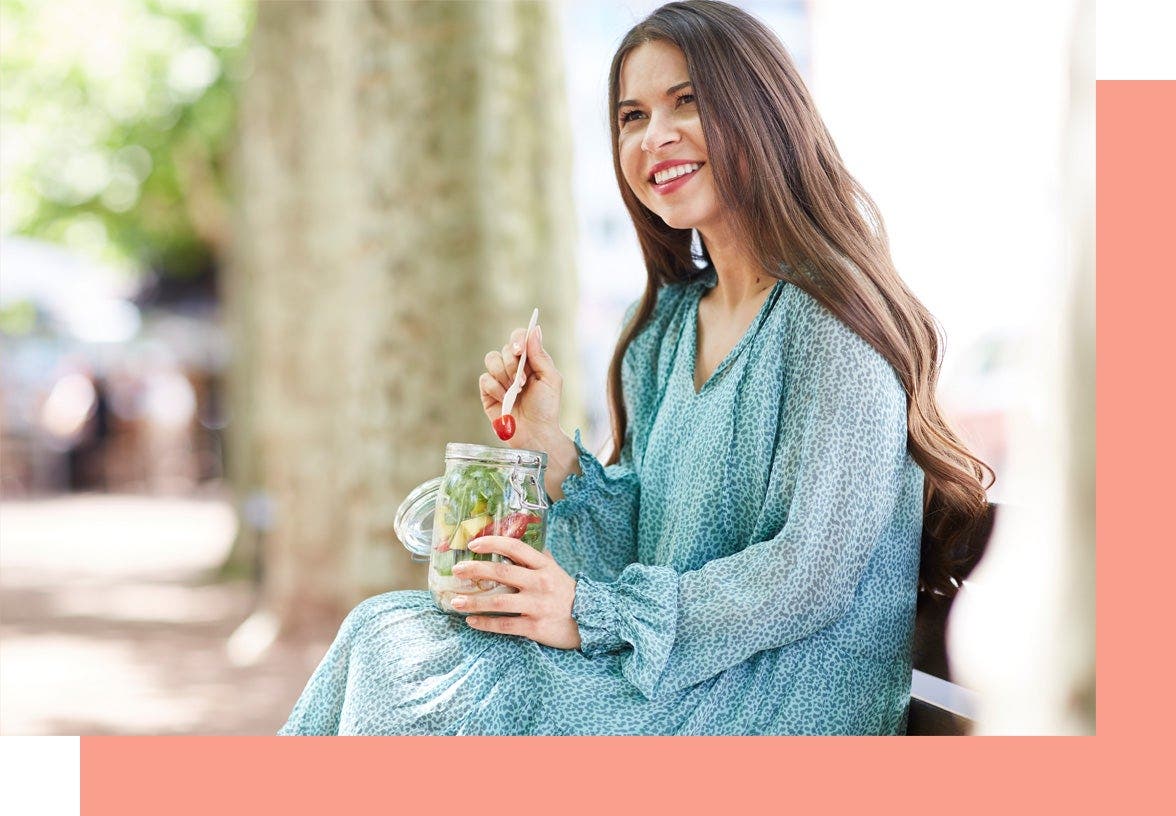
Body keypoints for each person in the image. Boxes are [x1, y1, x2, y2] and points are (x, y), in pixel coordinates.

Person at [279, 0, 991, 736]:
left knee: (418, 680)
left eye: (688, 102)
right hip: (679, 685)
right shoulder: (661, 329)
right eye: (631, 116)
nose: (656, 136)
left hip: (781, 706)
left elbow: (808, 575)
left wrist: (585, 612)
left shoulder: (836, 325)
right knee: (386, 631)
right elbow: (644, 548)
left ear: (764, 112)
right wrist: (547, 443)